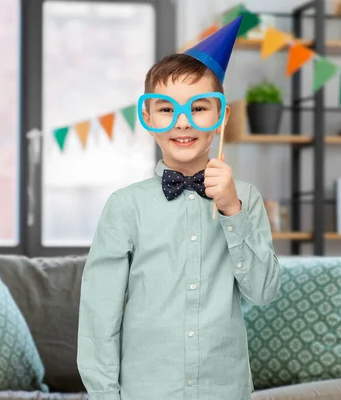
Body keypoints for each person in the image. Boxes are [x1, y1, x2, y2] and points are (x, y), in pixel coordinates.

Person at [77, 15, 280, 400]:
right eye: (168, 109)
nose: (182, 123)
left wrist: (232, 210)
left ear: (220, 116)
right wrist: (105, 395)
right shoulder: (125, 207)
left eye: (199, 108)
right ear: (149, 118)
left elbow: (265, 291)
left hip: (225, 389)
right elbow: (99, 315)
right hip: (146, 390)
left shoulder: (247, 199)